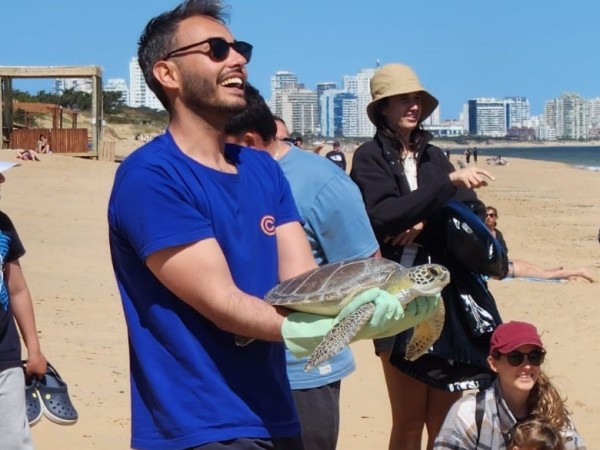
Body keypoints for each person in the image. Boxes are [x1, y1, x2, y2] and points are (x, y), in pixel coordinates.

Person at [108, 4, 436, 449]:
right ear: (168, 74)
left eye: (240, 49)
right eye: (217, 49)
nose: (238, 59)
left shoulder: (263, 169)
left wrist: (367, 303)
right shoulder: (153, 176)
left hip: (278, 411)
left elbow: (304, 282)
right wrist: (317, 331)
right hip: (199, 425)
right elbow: (221, 302)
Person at [225, 86, 424, 450]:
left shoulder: (324, 184)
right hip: (232, 365)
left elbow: (369, 271)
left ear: (250, 140)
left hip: (304, 371)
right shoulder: (221, 177)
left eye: (222, 143)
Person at [350, 62, 497, 450]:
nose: (413, 106)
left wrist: (425, 219)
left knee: (443, 421)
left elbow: (474, 209)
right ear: (383, 107)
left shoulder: (435, 156)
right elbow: (382, 215)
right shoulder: (368, 157)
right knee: (409, 420)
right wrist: (443, 189)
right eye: (403, 100)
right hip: (396, 291)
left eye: (417, 99)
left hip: (444, 294)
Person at [433, 321, 586, 450]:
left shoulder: (555, 414)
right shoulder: (469, 414)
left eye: (534, 357)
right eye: (515, 357)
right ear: (493, 364)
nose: (527, 366)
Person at [0, 162, 48, 450]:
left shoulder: (3, 227)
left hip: (4, 359)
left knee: (13, 440)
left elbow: (17, 289)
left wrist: (34, 348)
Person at [485, 206, 595, 283]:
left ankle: (579, 272)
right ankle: (567, 274)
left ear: (496, 218)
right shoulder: (486, 233)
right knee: (544, 272)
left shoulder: (497, 233)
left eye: (491, 215)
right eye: (487, 215)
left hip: (512, 268)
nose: (489, 217)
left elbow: (502, 251)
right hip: (511, 264)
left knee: (546, 275)